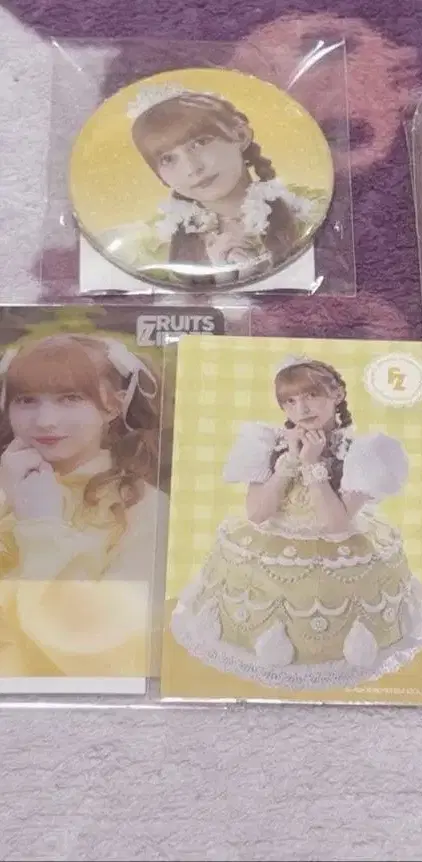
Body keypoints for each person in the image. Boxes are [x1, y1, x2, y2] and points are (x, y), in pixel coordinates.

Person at [170, 355, 422, 690]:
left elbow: (336, 525)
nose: (302, 408)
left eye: (312, 395)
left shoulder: (359, 453)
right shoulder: (270, 444)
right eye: (290, 401)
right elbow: (257, 514)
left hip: (335, 544)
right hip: (274, 536)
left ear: (337, 394)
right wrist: (289, 461)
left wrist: (312, 465)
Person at [0, 333, 165, 679]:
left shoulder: (144, 508)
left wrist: (42, 526)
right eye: (26, 400)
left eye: (70, 399)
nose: (45, 420)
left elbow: (107, 643)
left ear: (113, 406)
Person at [104, 85, 326, 288]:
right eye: (168, 159)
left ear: (241, 135)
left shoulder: (309, 209)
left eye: (200, 142)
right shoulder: (148, 244)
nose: (192, 168)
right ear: (160, 176)